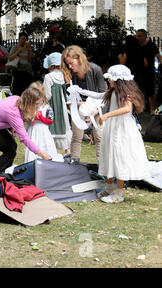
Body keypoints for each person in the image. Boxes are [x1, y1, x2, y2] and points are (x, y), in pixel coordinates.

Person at [97, 65, 148, 203]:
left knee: (120, 156)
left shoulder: (124, 93)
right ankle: (109, 187)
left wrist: (106, 116)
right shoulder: (113, 91)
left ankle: (118, 193)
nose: (108, 80)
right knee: (109, 154)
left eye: (110, 78)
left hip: (122, 128)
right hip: (113, 127)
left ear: (118, 80)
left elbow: (127, 108)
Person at [61, 45, 107, 163]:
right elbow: (71, 96)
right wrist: (79, 107)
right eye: (68, 65)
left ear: (79, 58)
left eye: (71, 63)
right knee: (76, 136)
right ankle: (74, 162)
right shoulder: (71, 74)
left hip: (97, 108)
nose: (70, 67)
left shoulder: (95, 70)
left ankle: (102, 165)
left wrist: (93, 111)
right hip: (79, 108)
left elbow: (103, 94)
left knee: (99, 136)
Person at [0, 86, 52, 173]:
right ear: (29, 103)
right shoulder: (14, 112)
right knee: (10, 151)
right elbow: (25, 138)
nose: (38, 106)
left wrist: (12, 126)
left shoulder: (17, 98)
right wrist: (43, 155)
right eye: (36, 103)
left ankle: (2, 174)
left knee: (12, 147)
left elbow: (3, 114)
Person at [24, 81, 63, 163]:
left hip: (43, 132)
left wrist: (41, 118)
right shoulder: (28, 107)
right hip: (32, 132)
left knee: (46, 147)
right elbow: (25, 119)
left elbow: (50, 121)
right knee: (32, 147)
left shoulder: (46, 107)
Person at [42, 52, 72, 158]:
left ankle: (52, 152)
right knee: (64, 125)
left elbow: (48, 95)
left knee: (52, 127)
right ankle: (67, 151)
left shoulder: (48, 77)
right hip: (62, 106)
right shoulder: (63, 75)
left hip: (52, 106)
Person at [136, 29, 162, 113]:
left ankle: (153, 110)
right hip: (138, 71)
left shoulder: (151, 45)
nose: (138, 38)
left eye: (139, 36)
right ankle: (140, 109)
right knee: (138, 90)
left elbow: (159, 56)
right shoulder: (136, 46)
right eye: (137, 36)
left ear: (144, 36)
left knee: (150, 91)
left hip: (149, 72)